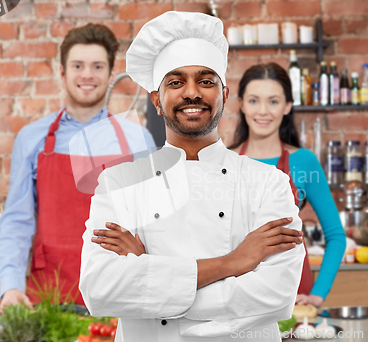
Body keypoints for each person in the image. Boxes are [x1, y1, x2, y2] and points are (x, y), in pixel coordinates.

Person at [80, 11, 305, 342]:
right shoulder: (119, 183)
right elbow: (99, 291)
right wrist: (232, 263)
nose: (192, 93)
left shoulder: (268, 183)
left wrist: (150, 272)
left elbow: (276, 298)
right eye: (175, 82)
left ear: (224, 95)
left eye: (206, 80)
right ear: (157, 100)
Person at [0, 23, 156, 312]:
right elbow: (17, 221)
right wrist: (11, 286)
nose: (87, 74)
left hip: (117, 292)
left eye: (97, 66)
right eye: (78, 65)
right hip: (48, 295)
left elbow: (157, 223)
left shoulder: (137, 139)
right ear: (62, 72)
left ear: (109, 75)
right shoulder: (32, 139)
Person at [229, 63, 346, 308]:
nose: (263, 111)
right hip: (234, 292)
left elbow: (336, 235)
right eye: (253, 101)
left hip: (291, 292)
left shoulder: (304, 161)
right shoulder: (222, 161)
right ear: (241, 104)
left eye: (273, 101)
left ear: (287, 106)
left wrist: (318, 294)